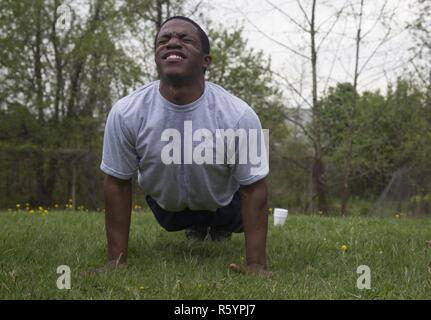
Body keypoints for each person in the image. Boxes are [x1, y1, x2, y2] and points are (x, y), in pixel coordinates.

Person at [100, 16, 270, 275]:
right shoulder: (126, 112)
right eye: (164, 40)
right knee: (179, 219)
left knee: (233, 213)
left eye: (185, 39)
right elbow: (117, 183)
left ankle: (214, 227)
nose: (172, 43)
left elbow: (254, 187)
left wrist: (256, 265)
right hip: (168, 212)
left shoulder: (239, 115)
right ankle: (196, 226)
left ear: (205, 61)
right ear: (157, 57)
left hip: (226, 206)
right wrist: (115, 261)